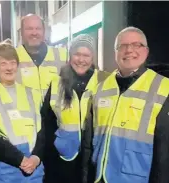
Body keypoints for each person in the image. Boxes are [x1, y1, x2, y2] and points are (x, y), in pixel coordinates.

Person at [90, 27, 169, 183]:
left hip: (136, 177)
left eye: (136, 45)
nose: (129, 50)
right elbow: (90, 139)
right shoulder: (100, 88)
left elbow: (165, 151)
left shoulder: (164, 88)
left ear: (146, 51)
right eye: (122, 46)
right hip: (100, 176)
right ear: (115, 52)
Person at [41, 34, 109, 183]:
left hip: (93, 156)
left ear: (92, 58)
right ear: (70, 55)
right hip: (63, 158)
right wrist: (53, 147)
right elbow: (46, 122)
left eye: (86, 55)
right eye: (77, 54)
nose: (81, 59)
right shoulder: (57, 83)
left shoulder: (104, 82)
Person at [0, 41, 45, 183]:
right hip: (2, 167)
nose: (9, 68)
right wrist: (20, 160)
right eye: (3, 63)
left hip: (32, 168)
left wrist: (36, 157)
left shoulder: (32, 93)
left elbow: (42, 131)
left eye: (13, 63)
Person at [15, 14, 67, 98]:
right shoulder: (12, 57)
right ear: (21, 32)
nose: (34, 33)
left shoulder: (63, 55)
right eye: (29, 29)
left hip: (55, 111)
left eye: (38, 28)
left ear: (44, 31)